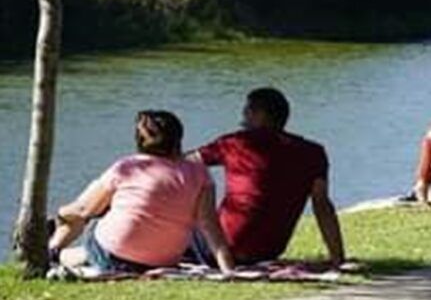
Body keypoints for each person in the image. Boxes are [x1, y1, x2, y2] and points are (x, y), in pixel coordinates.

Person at [49, 111, 236, 275]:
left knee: (94, 216)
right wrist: (227, 268)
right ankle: (56, 252)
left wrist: (60, 213)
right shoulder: (200, 172)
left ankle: (53, 252)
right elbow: (209, 225)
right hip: (164, 260)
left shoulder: (128, 167)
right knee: (104, 218)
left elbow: (84, 210)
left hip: (114, 254)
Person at [189, 88, 345, 268]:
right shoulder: (313, 152)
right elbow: (322, 205)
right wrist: (337, 257)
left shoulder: (234, 144)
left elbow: (180, 162)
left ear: (259, 114)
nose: (243, 116)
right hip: (268, 249)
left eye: (247, 110)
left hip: (221, 248)